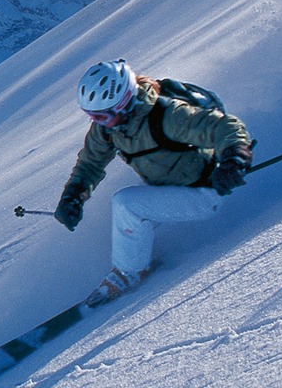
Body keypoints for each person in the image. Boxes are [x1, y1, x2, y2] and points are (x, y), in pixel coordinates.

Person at [55, 59, 253, 306]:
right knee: (126, 221)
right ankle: (139, 258)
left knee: (126, 204)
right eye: (92, 116)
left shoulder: (167, 116)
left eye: (104, 115)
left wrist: (235, 158)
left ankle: (129, 273)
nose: (100, 122)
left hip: (205, 193)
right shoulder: (109, 128)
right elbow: (90, 163)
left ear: (125, 102)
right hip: (171, 190)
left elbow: (223, 126)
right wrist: (74, 194)